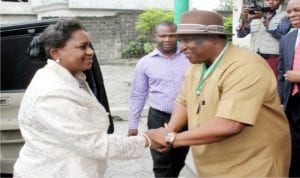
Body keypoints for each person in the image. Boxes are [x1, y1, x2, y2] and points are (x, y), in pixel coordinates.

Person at [145, 10, 291, 177]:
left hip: (252, 164)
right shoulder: (197, 65)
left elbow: (230, 124)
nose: (181, 47)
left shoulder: (245, 66)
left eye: (186, 40)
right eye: (180, 41)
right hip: (214, 163)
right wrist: (170, 129)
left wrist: (171, 139)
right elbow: (184, 101)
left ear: (213, 38)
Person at [13, 19, 153, 178]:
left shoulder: (72, 78)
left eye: (90, 46)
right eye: (82, 47)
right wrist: (146, 140)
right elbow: (94, 144)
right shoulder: (52, 92)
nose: (91, 51)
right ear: (56, 52)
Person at [127, 21, 190, 177]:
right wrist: (133, 124)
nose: (167, 39)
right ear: (155, 37)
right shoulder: (145, 63)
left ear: (178, 36)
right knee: (161, 160)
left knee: (180, 158)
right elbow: (138, 95)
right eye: (162, 36)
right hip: (159, 117)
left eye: (171, 35)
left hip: (187, 117)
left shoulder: (190, 58)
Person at [236, 0, 291, 77]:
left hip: (274, 59)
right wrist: (244, 20)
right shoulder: (253, 14)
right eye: (267, 0)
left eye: (275, 0)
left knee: (273, 85)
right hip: (254, 58)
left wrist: (262, 18)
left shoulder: (286, 16)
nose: (271, 2)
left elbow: (279, 34)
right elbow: (240, 34)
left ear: (281, 1)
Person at [278, 0, 300, 176]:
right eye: (289, 11)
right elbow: (281, 73)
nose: (291, 14)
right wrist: (280, 101)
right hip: (292, 103)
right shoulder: (287, 39)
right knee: (293, 146)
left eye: (297, 10)